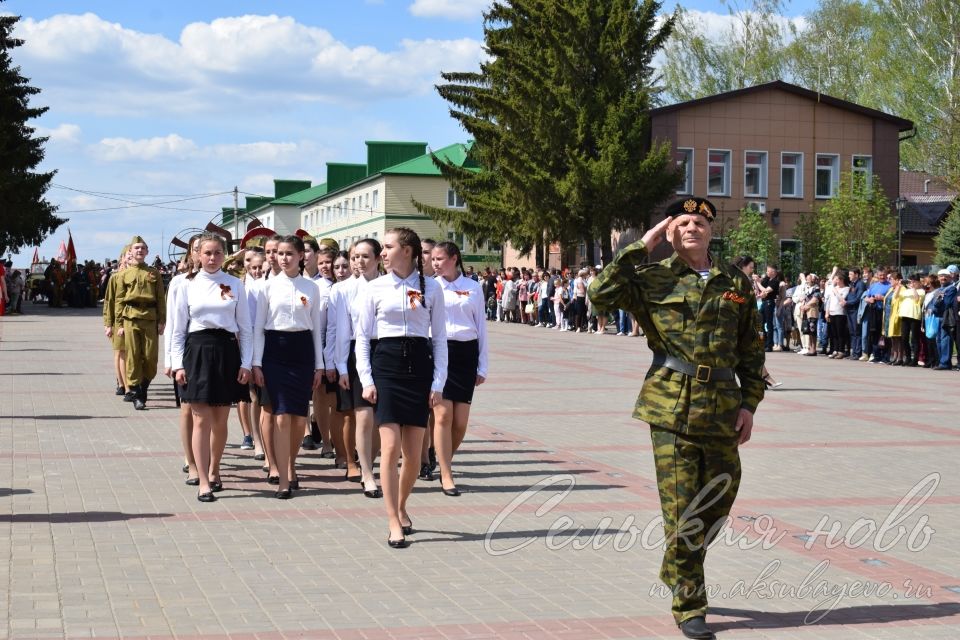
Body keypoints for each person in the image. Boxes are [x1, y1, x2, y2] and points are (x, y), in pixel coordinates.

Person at [588, 197, 765, 639]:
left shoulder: (734, 282)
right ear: (670, 232)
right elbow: (599, 296)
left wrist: (749, 405)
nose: (693, 228)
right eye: (683, 222)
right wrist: (641, 246)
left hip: (723, 407)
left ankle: (675, 567)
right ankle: (690, 603)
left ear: (711, 230)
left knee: (718, 503)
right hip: (671, 406)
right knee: (683, 510)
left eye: (701, 221)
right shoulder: (652, 279)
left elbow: (751, 350)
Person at [356, 227, 447, 548]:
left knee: (413, 455)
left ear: (406, 251)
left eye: (388, 247)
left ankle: (402, 504)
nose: (383, 253)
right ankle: (393, 520)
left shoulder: (432, 288)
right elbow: (363, 338)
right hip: (387, 366)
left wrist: (438, 382)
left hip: (419, 367)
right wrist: (366, 380)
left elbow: (440, 339)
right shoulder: (376, 287)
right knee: (390, 447)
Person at [171, 234, 252, 502]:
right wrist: (176, 363)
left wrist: (246, 362)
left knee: (220, 420)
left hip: (227, 350)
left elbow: (246, 328)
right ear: (197, 255)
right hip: (198, 349)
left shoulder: (235, 284)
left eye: (218, 253)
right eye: (207, 253)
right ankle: (203, 479)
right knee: (200, 418)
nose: (212, 258)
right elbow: (178, 328)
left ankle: (216, 469)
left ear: (224, 255)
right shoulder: (186, 285)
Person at [252, 235, 326, 498]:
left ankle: (290, 464)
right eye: (280, 253)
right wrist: (256, 363)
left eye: (289, 254)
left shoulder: (312, 288)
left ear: (300, 256)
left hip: (303, 351)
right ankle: (283, 477)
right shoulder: (267, 287)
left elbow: (316, 329)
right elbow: (259, 327)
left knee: (298, 418)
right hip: (275, 350)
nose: (283, 258)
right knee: (281, 415)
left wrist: (319, 365)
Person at [431, 241, 487, 496]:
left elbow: (482, 327)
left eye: (440, 259)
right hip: (440, 352)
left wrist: (482, 365)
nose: (435, 264)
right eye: (433, 259)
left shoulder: (473, 287)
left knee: (461, 423)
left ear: (454, 259)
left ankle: (443, 457)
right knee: (443, 416)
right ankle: (446, 473)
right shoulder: (430, 287)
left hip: (466, 354)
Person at [332, 239, 383, 495]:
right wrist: (341, 367)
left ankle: (371, 462)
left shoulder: (389, 285)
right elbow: (341, 331)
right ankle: (366, 472)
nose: (359, 262)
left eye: (365, 256)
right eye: (355, 257)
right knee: (363, 415)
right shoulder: (344, 290)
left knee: (379, 420)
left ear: (378, 258)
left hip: (386, 352)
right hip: (356, 353)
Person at [106, 236, 166, 410]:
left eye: (143, 248)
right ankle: (137, 393)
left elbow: (161, 298)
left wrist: (162, 320)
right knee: (132, 356)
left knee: (150, 359)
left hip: (150, 318)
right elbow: (118, 301)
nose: (139, 251)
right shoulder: (123, 275)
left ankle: (142, 387)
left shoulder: (154, 273)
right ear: (130, 252)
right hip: (130, 318)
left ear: (147, 252)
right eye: (136, 248)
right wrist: (118, 324)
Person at [104, 245, 132, 397]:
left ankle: (127, 382)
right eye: (127, 255)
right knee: (120, 352)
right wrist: (108, 324)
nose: (130, 257)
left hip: (134, 320)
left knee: (130, 354)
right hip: (118, 321)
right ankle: (122, 383)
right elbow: (109, 302)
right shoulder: (115, 277)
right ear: (122, 258)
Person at [933, 268, 957, 370]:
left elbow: (946, 303)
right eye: (941, 276)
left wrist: (939, 300)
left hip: (946, 317)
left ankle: (945, 363)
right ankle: (941, 361)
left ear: (949, 277)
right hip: (937, 317)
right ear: (938, 278)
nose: (943, 278)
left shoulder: (951, 288)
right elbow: (934, 304)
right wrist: (939, 299)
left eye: (945, 276)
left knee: (945, 340)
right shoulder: (938, 290)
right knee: (938, 340)